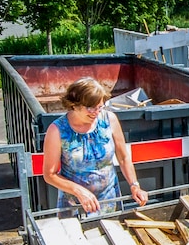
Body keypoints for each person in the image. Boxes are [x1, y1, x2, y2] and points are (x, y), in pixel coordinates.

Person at [41, 77, 149, 215]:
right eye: (91, 108)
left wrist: (134, 185)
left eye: (100, 107)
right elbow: (49, 174)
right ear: (74, 104)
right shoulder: (57, 130)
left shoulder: (109, 119)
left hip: (109, 202)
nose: (96, 112)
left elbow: (123, 158)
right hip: (76, 206)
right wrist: (78, 191)